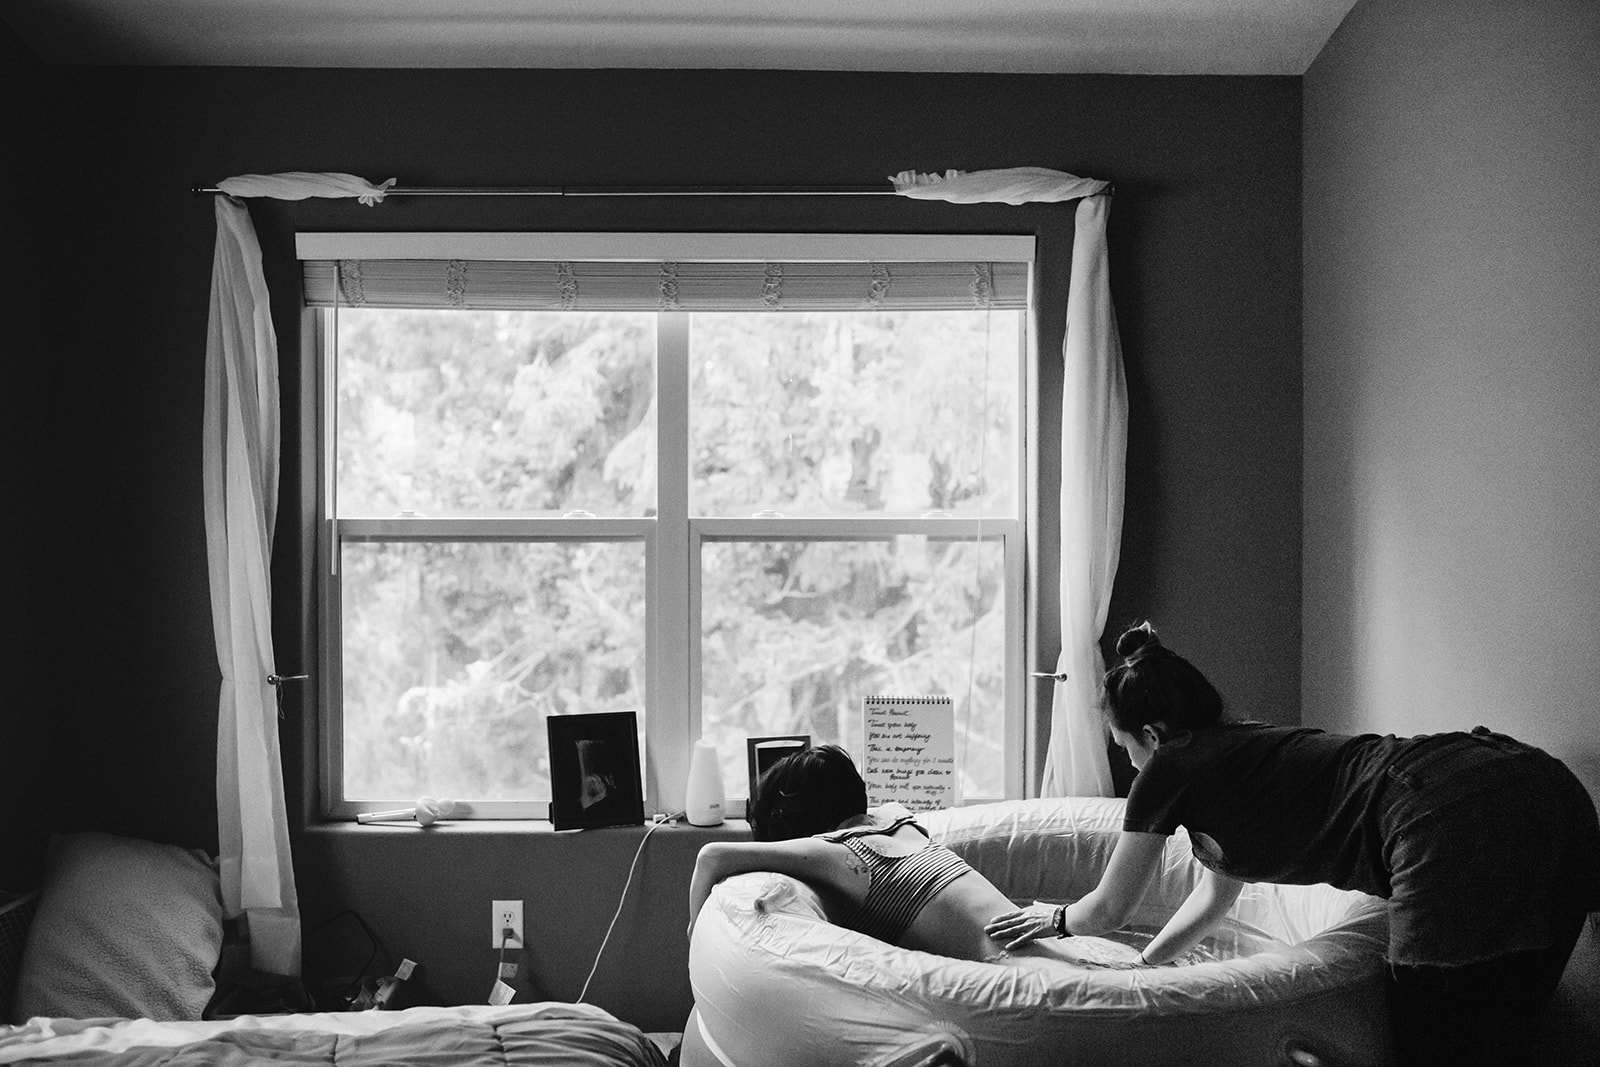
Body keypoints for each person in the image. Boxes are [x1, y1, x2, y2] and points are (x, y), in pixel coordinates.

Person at [984, 621, 1600, 1065]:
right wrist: (1145, 970)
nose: (1130, 765)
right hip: (1536, 778)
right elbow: (1212, 902)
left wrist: (1053, 919)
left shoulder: (1171, 764)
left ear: (1151, 734)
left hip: (1434, 810)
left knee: (1428, 1041)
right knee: (1520, 1030)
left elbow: (1109, 909)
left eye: (1125, 750)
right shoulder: (1242, 753)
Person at [688, 744, 1124, 966]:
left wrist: (693, 934)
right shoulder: (899, 820)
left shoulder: (836, 851)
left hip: (1015, 975)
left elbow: (711, 856)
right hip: (1059, 952)